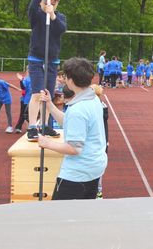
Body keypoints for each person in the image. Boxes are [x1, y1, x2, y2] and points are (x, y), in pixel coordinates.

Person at [38, 57, 108, 200]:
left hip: (78, 174)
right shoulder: (93, 98)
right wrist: (50, 105)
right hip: (94, 167)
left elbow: (74, 149)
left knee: (61, 215)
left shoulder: (78, 110)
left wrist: (47, 143)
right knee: (82, 214)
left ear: (71, 80)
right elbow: (70, 123)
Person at [27, 0, 67, 141]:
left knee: (48, 94)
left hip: (52, 61)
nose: (51, 3)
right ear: (42, 2)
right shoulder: (36, 15)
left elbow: (61, 30)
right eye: (48, 1)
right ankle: (31, 127)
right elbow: (31, 6)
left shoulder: (59, 17)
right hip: (37, 59)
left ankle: (44, 125)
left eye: (54, 1)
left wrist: (52, 15)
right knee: (37, 94)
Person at [91, 84, 109, 199]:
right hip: (104, 139)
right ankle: (98, 190)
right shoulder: (102, 104)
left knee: (95, 165)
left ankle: (98, 190)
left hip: (98, 140)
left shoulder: (96, 106)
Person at [15, 69, 32, 134]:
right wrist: (21, 80)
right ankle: (18, 127)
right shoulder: (26, 79)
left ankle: (31, 127)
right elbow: (23, 87)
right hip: (25, 100)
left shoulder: (37, 79)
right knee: (23, 114)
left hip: (34, 100)